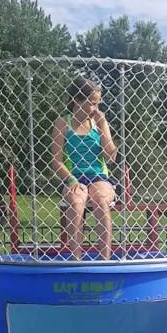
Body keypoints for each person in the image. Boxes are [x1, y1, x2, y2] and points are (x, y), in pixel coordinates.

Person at [51, 76, 118, 260]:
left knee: (101, 200)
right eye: (91, 104)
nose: (95, 109)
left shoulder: (98, 122)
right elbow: (56, 161)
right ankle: (76, 258)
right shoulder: (63, 123)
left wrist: (102, 125)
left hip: (98, 176)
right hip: (74, 176)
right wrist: (72, 180)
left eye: (97, 104)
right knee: (76, 201)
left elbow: (111, 156)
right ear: (76, 101)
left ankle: (105, 258)